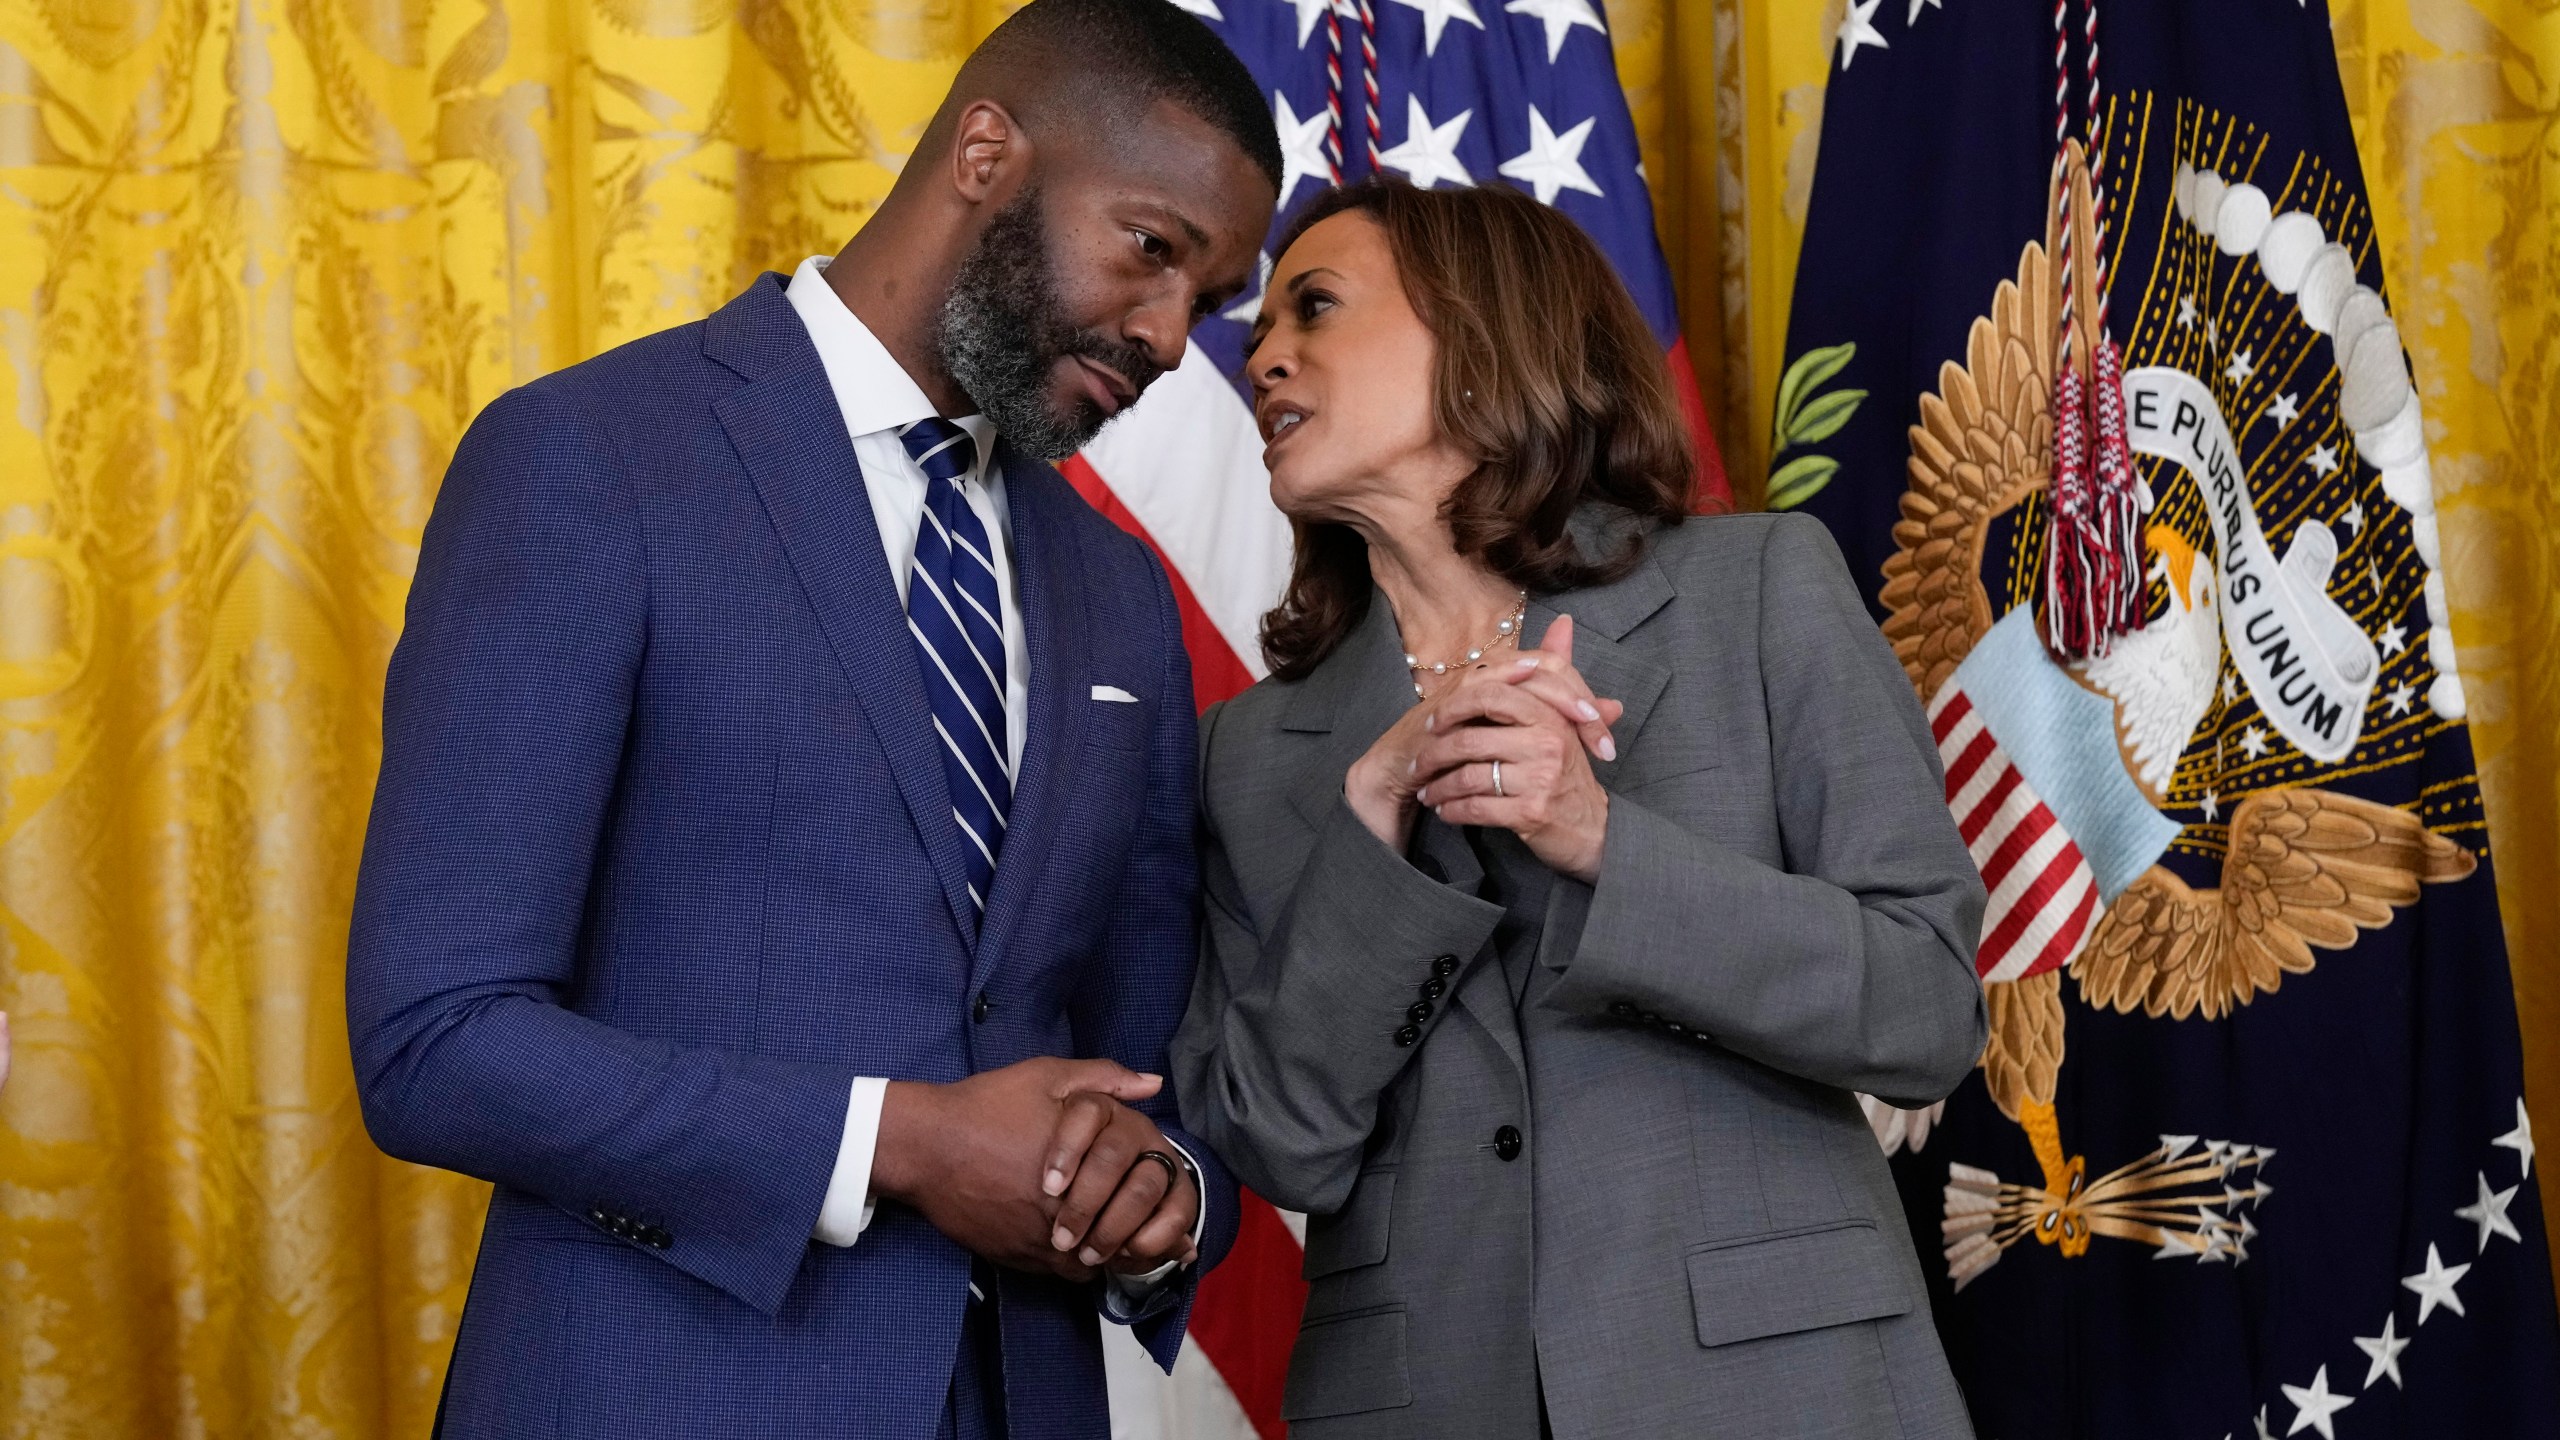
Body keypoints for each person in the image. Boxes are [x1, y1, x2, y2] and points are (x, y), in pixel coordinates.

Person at [344, 3, 1279, 1435]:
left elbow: (1153, 1067)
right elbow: (436, 1039)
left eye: (1205, 305)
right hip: (661, 1393)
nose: (1166, 339)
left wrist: (1158, 1188)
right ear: (985, 153)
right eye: (1152, 250)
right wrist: (896, 1144)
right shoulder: (593, 459)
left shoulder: (1117, 594)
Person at [1171, 178, 1989, 1439]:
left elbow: (1926, 1010)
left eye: (1313, 309)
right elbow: (1279, 1142)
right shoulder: (1245, 751)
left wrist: (1600, 841)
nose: (1262, 356)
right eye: (1258, 334)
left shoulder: (1758, 588)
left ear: (1480, 330)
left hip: (1781, 1388)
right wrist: (1373, 832)